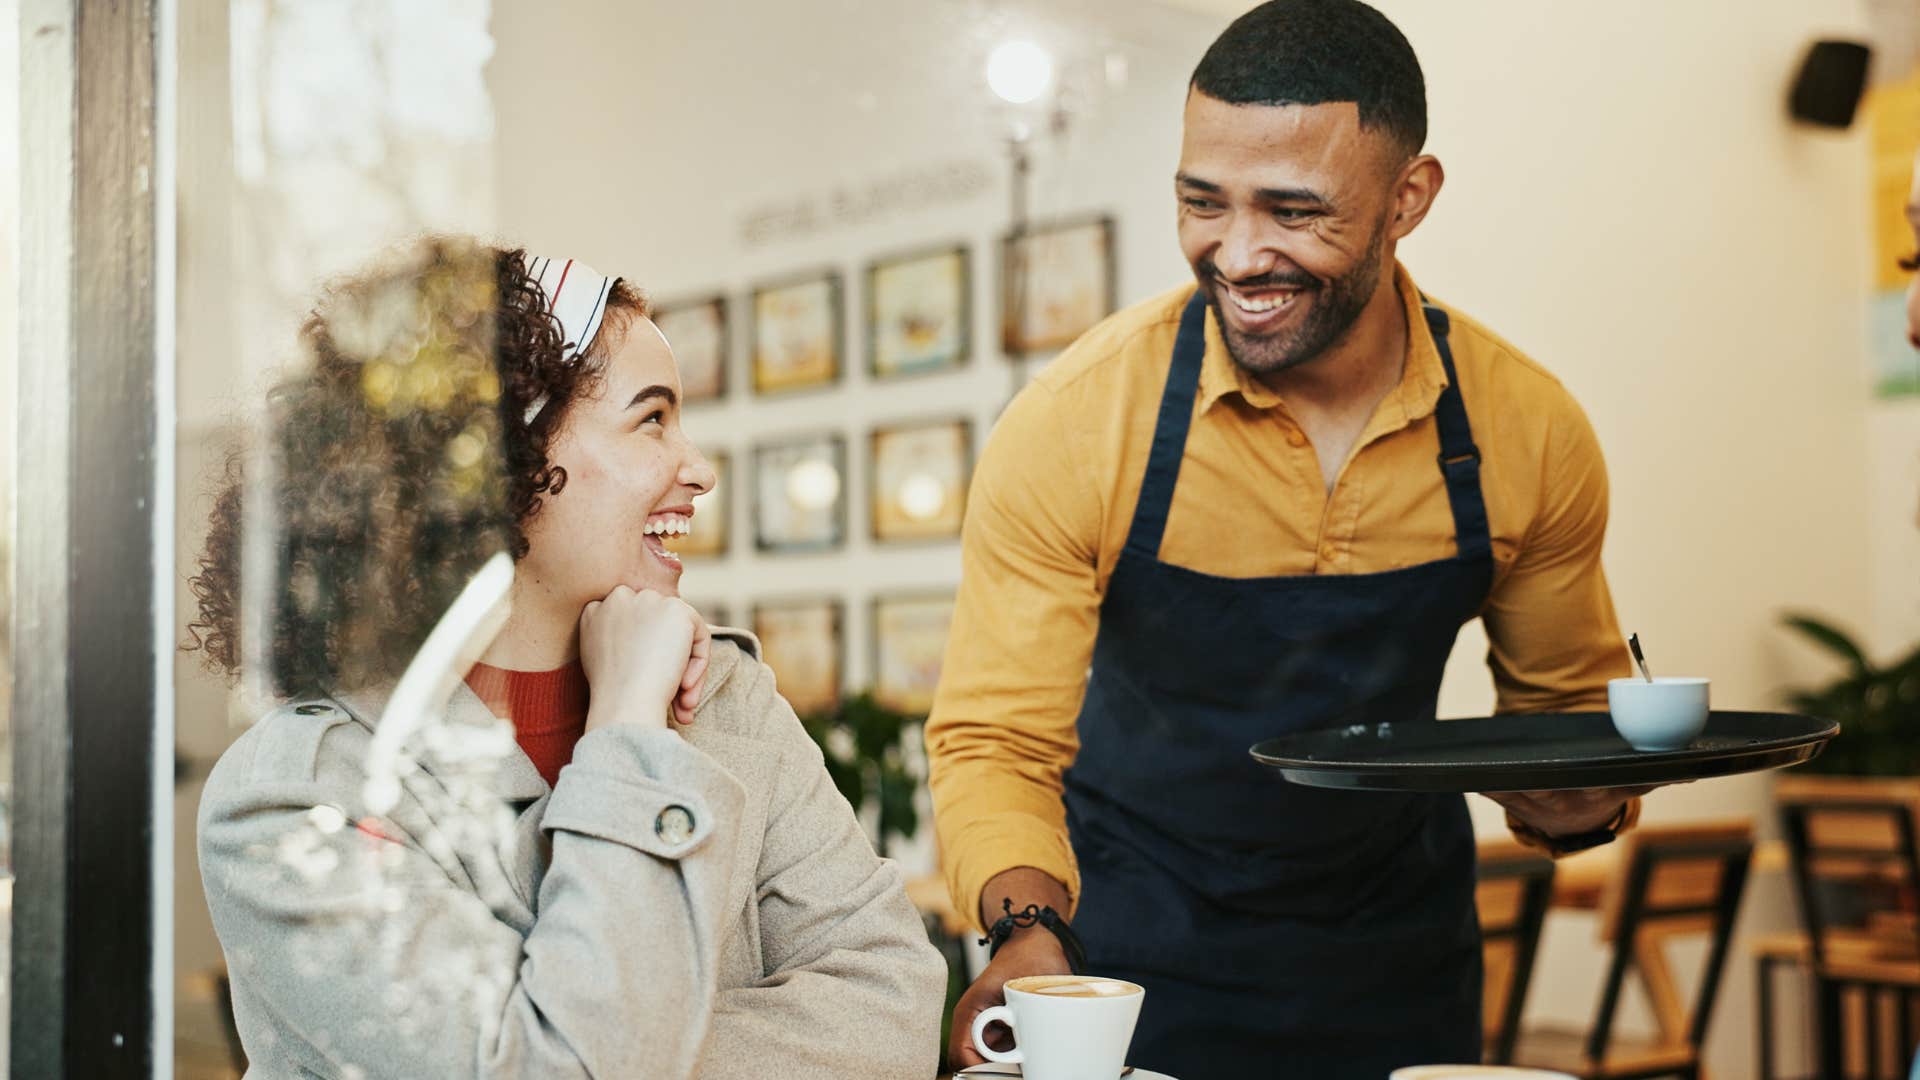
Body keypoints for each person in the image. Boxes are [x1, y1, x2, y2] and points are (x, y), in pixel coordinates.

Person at [927, 2, 1664, 1076]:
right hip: (1127, 967)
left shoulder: (1528, 432)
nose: (1237, 254)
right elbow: (997, 740)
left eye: (1294, 210)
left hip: (1398, 970)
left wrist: (1579, 802)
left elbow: (1568, 723)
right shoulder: (1079, 424)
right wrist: (1022, 932)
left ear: (1408, 199)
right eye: (1202, 203)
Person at [188, 238, 946, 1078]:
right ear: (499, 465)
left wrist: (613, 1045)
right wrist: (626, 724)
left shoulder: (726, 696)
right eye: (651, 418)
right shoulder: (294, 796)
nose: (698, 468)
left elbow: (896, 999)